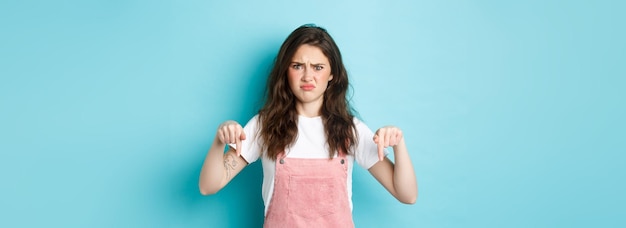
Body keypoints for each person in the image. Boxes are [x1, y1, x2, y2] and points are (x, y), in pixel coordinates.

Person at [199, 24, 417, 227]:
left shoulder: (351, 130)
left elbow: (407, 195)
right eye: (297, 66)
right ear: (286, 71)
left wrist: (399, 144)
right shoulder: (264, 126)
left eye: (318, 67)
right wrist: (220, 141)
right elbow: (208, 186)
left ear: (332, 74)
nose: (308, 76)